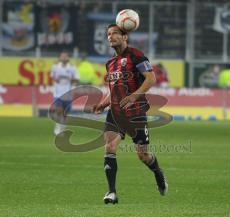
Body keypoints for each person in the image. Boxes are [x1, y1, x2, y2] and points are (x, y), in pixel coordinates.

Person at [93, 24, 168, 204]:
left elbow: (151, 78)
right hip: (116, 112)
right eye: (108, 34)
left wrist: (134, 96)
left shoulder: (136, 56)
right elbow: (113, 89)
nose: (110, 37)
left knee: (143, 156)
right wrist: (103, 104)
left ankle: (158, 172)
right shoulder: (110, 63)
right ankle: (112, 192)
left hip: (136, 112)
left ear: (125, 36)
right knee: (110, 147)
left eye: (115, 34)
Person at [50, 50, 80, 135]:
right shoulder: (55, 67)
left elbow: (77, 79)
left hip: (68, 93)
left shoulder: (72, 68)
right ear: (59, 58)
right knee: (59, 111)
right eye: (62, 56)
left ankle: (62, 128)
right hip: (58, 93)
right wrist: (56, 79)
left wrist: (71, 79)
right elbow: (52, 76)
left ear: (68, 58)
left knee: (65, 113)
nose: (63, 58)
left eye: (65, 56)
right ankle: (58, 129)